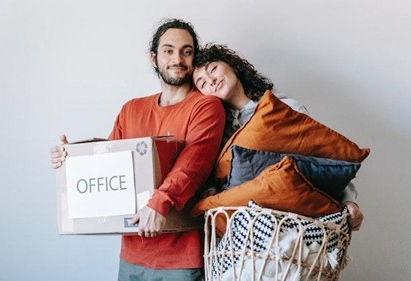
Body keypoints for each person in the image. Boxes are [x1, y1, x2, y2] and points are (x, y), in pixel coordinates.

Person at [51, 19, 226, 281]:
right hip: (131, 255)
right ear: (154, 58)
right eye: (168, 50)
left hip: (180, 256)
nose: (177, 59)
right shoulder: (131, 109)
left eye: (186, 51)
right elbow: (109, 162)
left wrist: (160, 202)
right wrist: (72, 159)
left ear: (193, 59)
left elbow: (193, 164)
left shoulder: (206, 107)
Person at [191, 43, 364, 231]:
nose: (211, 80)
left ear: (232, 65)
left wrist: (349, 201)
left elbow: (325, 160)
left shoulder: (286, 109)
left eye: (213, 69)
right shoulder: (217, 131)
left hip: (298, 222)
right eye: (202, 83)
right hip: (247, 233)